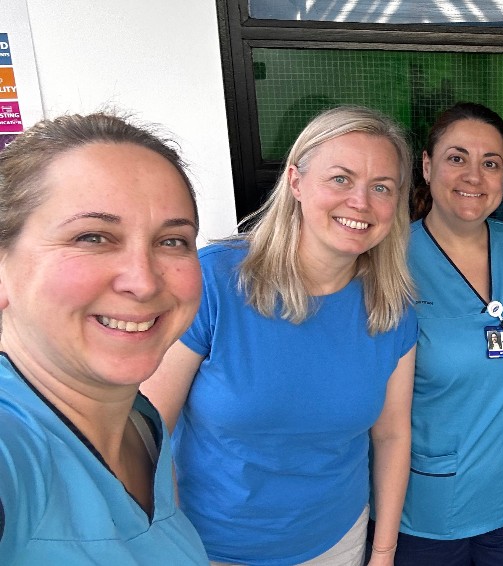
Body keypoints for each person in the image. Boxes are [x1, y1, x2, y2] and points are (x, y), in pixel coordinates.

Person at [141, 105, 417, 566]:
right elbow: (151, 431)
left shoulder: (390, 306)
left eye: (381, 187)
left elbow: (391, 435)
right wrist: (167, 544)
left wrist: (383, 552)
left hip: (336, 544)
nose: (360, 202)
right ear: (295, 182)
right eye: (340, 179)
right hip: (210, 549)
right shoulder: (216, 282)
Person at [0, 112, 207, 563]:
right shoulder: (13, 448)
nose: (144, 282)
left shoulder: (140, 421)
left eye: (172, 241)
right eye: (92, 236)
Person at [395, 102, 503, 566]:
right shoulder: (390, 261)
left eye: (491, 163)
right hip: (424, 504)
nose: (474, 176)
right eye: (456, 157)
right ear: (426, 166)